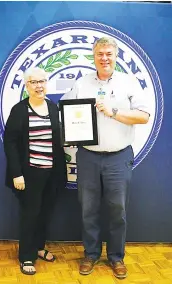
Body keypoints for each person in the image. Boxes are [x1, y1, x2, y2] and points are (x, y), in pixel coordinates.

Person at [60, 37, 150, 279]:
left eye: (109, 53)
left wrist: (114, 112)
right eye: (100, 53)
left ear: (116, 56)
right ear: (94, 56)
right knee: (88, 209)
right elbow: (65, 110)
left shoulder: (128, 83)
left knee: (117, 210)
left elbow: (143, 117)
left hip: (118, 158)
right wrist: (70, 130)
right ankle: (90, 254)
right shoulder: (82, 83)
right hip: (88, 157)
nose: (104, 58)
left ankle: (116, 257)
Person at [4, 67, 66, 275]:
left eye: (42, 81)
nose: (39, 86)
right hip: (29, 174)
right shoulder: (20, 110)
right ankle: (26, 257)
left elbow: (58, 138)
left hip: (52, 173)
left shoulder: (53, 107)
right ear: (26, 86)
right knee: (30, 214)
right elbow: (10, 143)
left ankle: (39, 248)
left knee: (45, 213)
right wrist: (16, 173)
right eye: (33, 82)